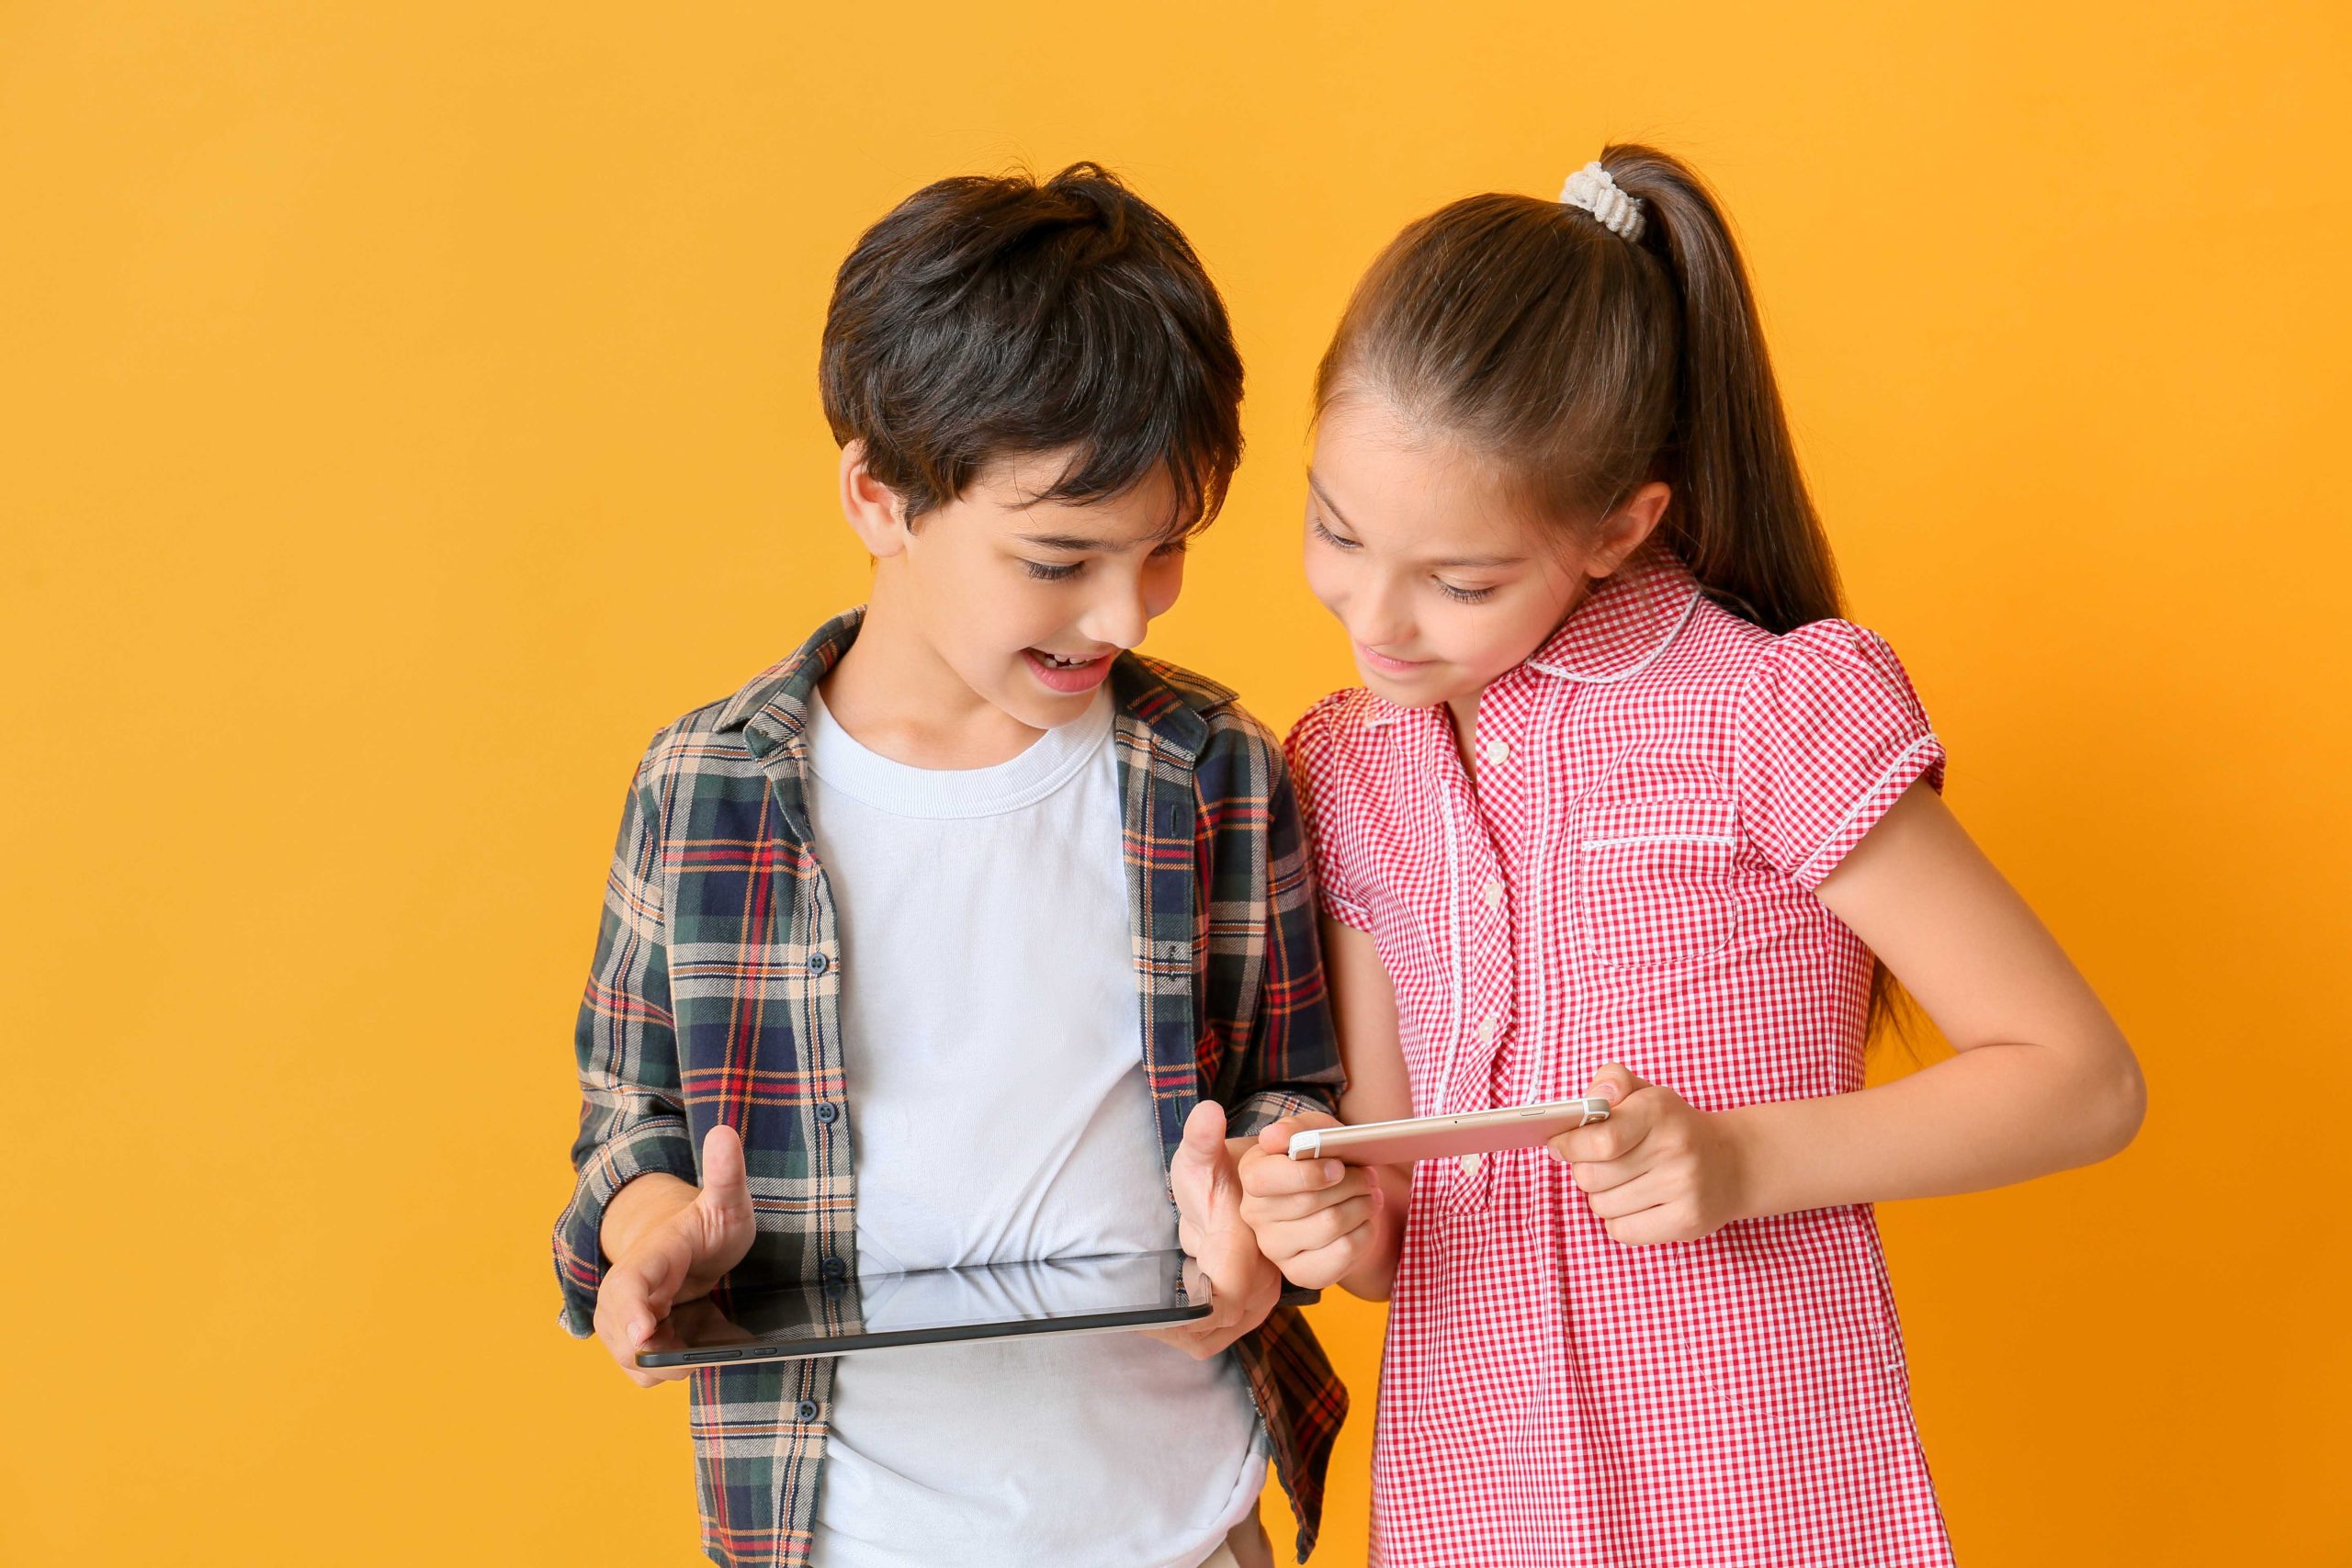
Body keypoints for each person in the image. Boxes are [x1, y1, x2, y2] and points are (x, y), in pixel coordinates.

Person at [1238, 147, 2146, 1566]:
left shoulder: (1765, 710)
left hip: (1753, 1478)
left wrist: (1740, 1159)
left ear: (1621, 525)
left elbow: (2082, 1081)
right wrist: (1327, 1215)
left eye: (1461, 581)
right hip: (1470, 1497)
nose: (1376, 617)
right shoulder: (1348, 766)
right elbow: (1395, 1226)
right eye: (1336, 533)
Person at [552, 164, 1347, 1568]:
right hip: (851, 1530)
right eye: (1060, 558)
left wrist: (1266, 1208)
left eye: (1165, 550)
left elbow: (1287, 1083)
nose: (1122, 607)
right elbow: (631, 1113)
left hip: (1178, 1517)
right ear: (879, 496)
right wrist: (657, 1227)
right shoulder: (708, 789)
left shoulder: (1214, 770)